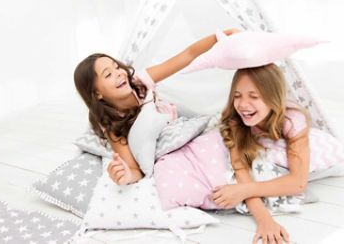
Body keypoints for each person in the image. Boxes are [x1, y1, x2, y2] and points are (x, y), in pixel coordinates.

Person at [73, 28, 239, 186]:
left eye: (116, 67)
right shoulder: (111, 124)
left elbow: (186, 55)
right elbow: (134, 169)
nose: (118, 73)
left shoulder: (139, 81)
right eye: (108, 74)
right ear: (97, 94)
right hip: (157, 132)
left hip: (172, 114)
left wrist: (219, 36)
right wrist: (126, 175)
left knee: (215, 123)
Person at [213, 63, 310, 244]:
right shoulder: (234, 118)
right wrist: (264, 220)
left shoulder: (292, 120)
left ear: (273, 98)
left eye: (254, 96)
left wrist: (243, 191)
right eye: (237, 96)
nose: (242, 104)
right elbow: (240, 169)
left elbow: (298, 183)